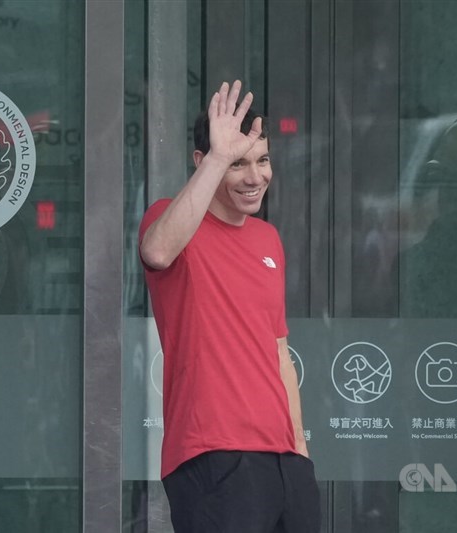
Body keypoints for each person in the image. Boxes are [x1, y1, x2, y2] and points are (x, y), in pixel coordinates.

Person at [139, 80, 320, 533]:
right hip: (213, 453)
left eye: (262, 160)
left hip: (284, 460)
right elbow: (156, 252)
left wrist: (300, 449)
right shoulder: (169, 217)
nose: (254, 177)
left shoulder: (268, 239)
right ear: (202, 160)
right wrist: (219, 156)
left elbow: (278, 350)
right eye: (237, 163)